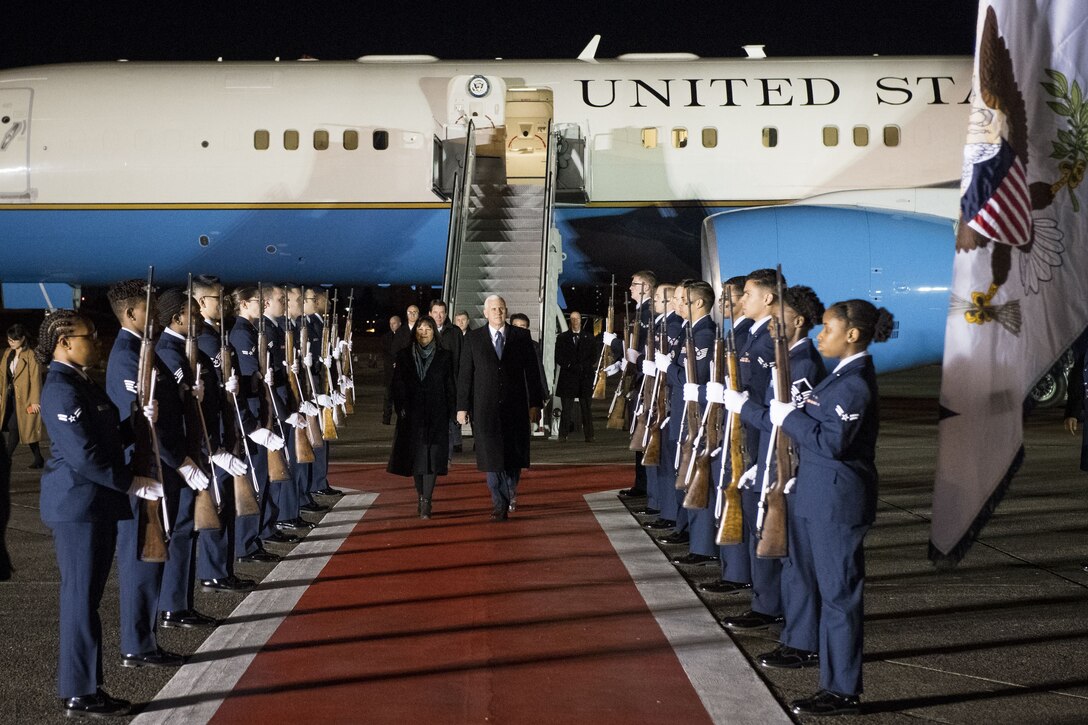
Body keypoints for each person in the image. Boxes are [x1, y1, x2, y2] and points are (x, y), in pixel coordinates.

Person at [743, 299, 894, 716]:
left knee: (839, 597)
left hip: (837, 502)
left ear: (852, 335)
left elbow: (832, 442)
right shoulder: (839, 378)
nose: (819, 335)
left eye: (827, 328)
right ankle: (818, 663)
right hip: (814, 492)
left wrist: (786, 417)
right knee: (813, 583)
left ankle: (842, 689)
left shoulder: (854, 384)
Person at [38, 310, 136, 717]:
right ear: (64, 341)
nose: (95, 341)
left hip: (95, 505)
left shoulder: (81, 381)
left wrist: (138, 423)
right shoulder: (61, 388)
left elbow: (106, 436)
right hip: (78, 507)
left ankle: (89, 685)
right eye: (89, 335)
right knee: (79, 600)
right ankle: (78, 690)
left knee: (88, 599)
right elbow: (84, 456)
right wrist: (130, 482)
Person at [721, 285, 827, 632]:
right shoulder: (788, 359)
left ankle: (796, 631)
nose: (770, 324)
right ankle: (768, 608)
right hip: (769, 463)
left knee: (795, 560)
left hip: (790, 471)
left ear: (797, 321)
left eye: (778, 318)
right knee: (767, 539)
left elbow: (787, 423)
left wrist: (744, 407)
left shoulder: (802, 365)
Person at [105, 279, 188, 668]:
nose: (155, 316)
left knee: (152, 554)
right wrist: (178, 459)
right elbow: (138, 424)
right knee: (141, 559)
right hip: (143, 471)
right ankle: (136, 645)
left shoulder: (142, 350)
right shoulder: (126, 356)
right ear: (131, 313)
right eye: (149, 310)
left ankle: (145, 639)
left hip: (156, 468)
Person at [191, 274, 261, 585]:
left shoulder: (221, 332)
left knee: (227, 503)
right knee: (216, 502)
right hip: (214, 433)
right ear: (201, 302)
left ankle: (222, 569)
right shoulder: (202, 337)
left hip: (228, 427)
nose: (224, 304)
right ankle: (212, 572)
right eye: (217, 299)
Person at [457, 295, 545, 520]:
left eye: (501, 308)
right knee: (491, 458)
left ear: (506, 311)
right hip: (485, 409)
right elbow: (465, 375)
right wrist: (462, 407)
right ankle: (499, 503)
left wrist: (535, 403)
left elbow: (533, 374)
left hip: (515, 408)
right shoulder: (473, 339)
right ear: (485, 313)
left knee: (513, 458)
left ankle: (509, 491)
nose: (498, 312)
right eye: (493, 309)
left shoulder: (521, 337)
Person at [388, 317, 456, 518]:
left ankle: (427, 499)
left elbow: (450, 385)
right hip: (412, 415)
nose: (424, 331)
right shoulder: (404, 355)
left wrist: (454, 411)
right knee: (416, 458)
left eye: (428, 328)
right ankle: (420, 495)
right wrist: (399, 408)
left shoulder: (445, 356)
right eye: (420, 328)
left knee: (433, 457)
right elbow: (397, 384)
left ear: (434, 331)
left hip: (437, 413)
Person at [604, 270, 655, 498]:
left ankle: (644, 486)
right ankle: (642, 484)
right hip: (637, 377)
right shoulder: (640, 311)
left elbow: (639, 347)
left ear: (646, 287)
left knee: (642, 430)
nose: (630, 287)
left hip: (645, 379)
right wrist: (620, 362)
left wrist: (615, 343)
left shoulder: (648, 312)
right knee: (637, 429)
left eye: (635, 284)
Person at [2, 324, 45, 468]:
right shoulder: (8, 353)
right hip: (10, 397)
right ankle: (38, 458)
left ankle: (6, 458)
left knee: (15, 426)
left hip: (25, 398)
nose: (11, 342)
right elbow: (2, 375)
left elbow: (35, 379)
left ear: (23, 339)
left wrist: (35, 401)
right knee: (25, 428)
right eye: (9, 340)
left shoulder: (31, 355)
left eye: (14, 340)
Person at [554, 311, 597, 442]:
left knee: (586, 409)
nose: (575, 321)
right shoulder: (562, 338)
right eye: (572, 319)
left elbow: (593, 357)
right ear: (569, 321)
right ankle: (562, 435)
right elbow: (558, 357)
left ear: (581, 320)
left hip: (584, 378)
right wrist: (570, 366)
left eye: (577, 319)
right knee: (566, 409)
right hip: (568, 377)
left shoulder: (589, 338)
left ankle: (589, 436)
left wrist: (583, 366)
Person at [429, 299, 463, 454]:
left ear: (446, 314)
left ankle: (445, 457)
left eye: (441, 312)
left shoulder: (455, 332)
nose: (438, 316)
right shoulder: (422, 331)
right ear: (430, 313)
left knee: (449, 424)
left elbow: (462, 359)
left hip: (450, 385)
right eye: (435, 312)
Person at [381, 316, 403, 425]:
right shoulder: (386, 337)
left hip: (401, 372)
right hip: (389, 372)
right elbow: (385, 353)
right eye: (390, 323)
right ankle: (386, 419)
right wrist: (392, 362)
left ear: (399, 323)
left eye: (394, 323)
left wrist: (398, 361)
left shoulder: (404, 336)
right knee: (387, 396)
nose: (392, 325)